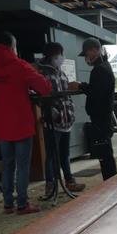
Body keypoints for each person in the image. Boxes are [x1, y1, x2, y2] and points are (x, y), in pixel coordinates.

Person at [0, 31, 51, 214]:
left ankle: (8, 203)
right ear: (12, 46)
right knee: (22, 166)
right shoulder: (20, 66)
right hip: (21, 122)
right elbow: (44, 88)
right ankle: (22, 204)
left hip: (2, 123)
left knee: (7, 165)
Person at [37, 42, 83, 194]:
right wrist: (51, 110)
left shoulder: (61, 72)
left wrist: (70, 109)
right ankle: (50, 184)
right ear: (52, 55)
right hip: (53, 120)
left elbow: (66, 92)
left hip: (66, 119)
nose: (61, 58)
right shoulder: (42, 73)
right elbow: (39, 96)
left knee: (65, 152)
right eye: (59, 55)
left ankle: (69, 180)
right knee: (51, 153)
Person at [78, 38, 117, 180]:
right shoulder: (105, 66)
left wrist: (81, 86)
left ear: (94, 50)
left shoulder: (99, 70)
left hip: (100, 118)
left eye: (87, 53)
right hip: (104, 118)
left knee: (105, 156)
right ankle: (111, 182)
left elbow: (97, 93)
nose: (87, 58)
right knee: (106, 154)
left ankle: (110, 183)